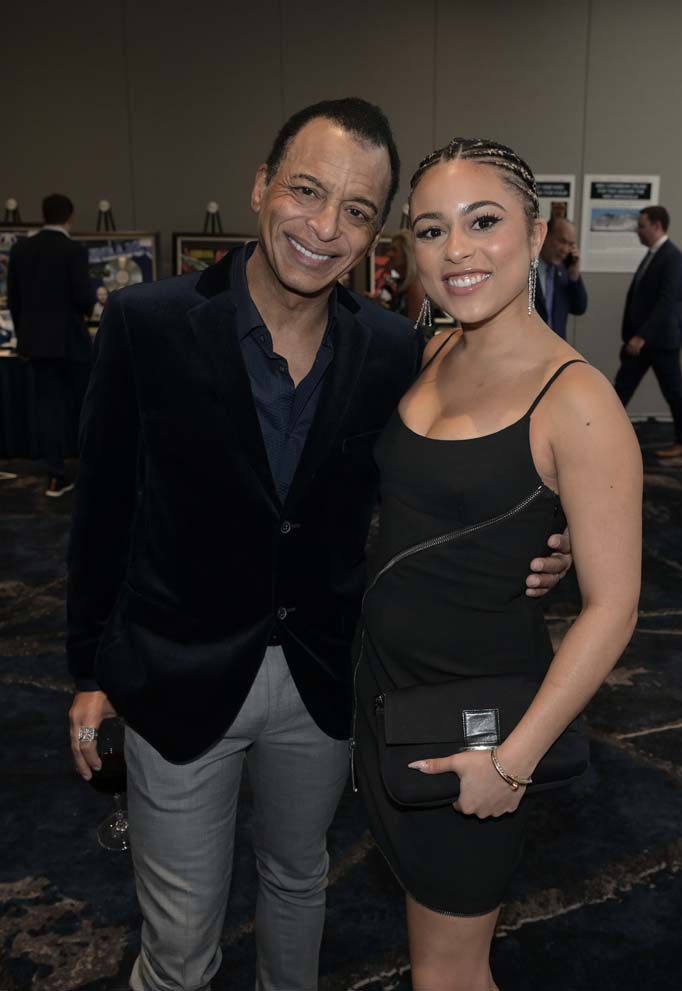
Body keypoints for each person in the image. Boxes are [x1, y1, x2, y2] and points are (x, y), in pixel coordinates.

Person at [66, 101, 572, 991]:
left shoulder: (390, 348)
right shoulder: (148, 323)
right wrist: (87, 670)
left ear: (376, 232)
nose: (324, 228)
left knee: (300, 883)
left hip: (324, 675)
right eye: (306, 191)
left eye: (357, 211)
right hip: (174, 668)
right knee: (180, 936)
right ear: (262, 186)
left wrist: (543, 537)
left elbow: (445, 475)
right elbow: (102, 509)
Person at [354, 138, 642, 991]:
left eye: (484, 222)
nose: (458, 252)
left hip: (472, 727)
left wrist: (512, 762)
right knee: (425, 947)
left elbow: (615, 606)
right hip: (384, 692)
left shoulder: (578, 399)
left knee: (448, 973)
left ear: (536, 228)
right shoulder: (435, 345)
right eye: (432, 230)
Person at [7, 194, 95, 496]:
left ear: (43, 215)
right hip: (72, 342)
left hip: (36, 344)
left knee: (48, 410)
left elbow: (14, 300)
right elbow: (85, 298)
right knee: (88, 406)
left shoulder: (21, 250)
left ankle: (56, 476)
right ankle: (94, 472)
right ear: (69, 216)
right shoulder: (73, 251)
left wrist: (26, 338)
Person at [613, 206, 682, 458]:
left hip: (659, 341)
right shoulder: (654, 255)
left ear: (657, 226)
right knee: (620, 390)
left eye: (642, 225)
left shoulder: (673, 257)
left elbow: (667, 302)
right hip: (643, 340)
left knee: (674, 391)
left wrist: (642, 336)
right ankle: (601, 434)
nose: (638, 229)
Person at [534, 215, 587, 340]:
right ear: (544, 237)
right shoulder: (523, 269)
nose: (565, 249)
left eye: (570, 244)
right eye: (562, 241)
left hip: (556, 350)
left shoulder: (564, 271)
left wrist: (574, 276)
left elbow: (579, 307)